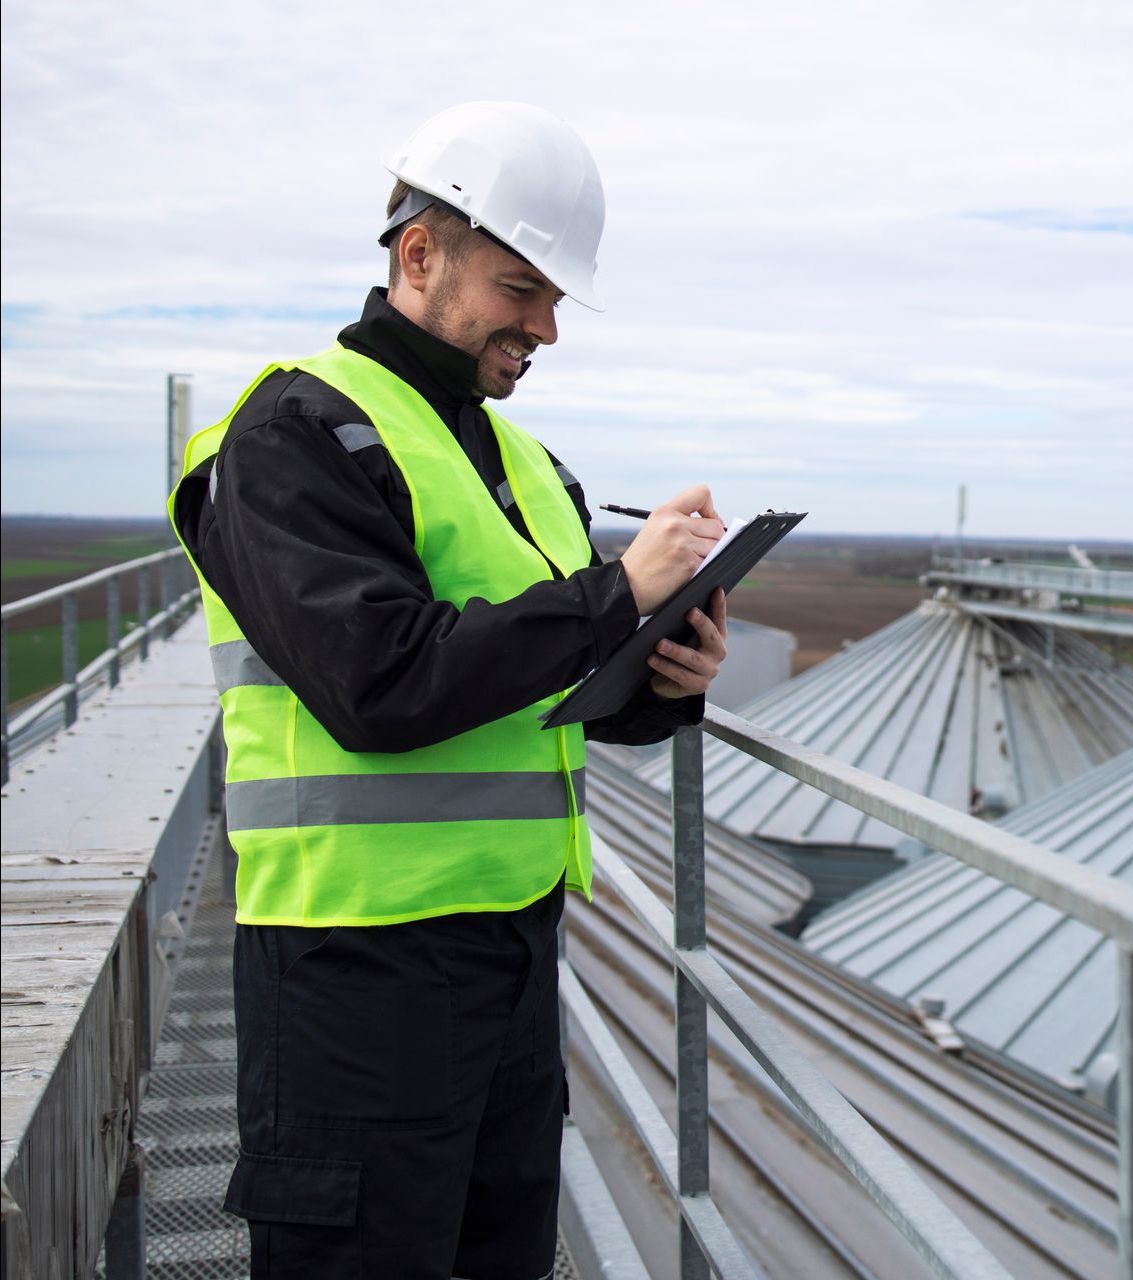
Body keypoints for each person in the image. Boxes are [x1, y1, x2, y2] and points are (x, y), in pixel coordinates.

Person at [169, 100, 729, 1279]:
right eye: (522, 290)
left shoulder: (524, 461)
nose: (546, 328)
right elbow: (378, 680)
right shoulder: (292, 432)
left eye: (555, 300)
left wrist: (661, 671)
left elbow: (554, 687)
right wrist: (611, 594)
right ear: (419, 256)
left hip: (512, 959)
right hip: (353, 973)